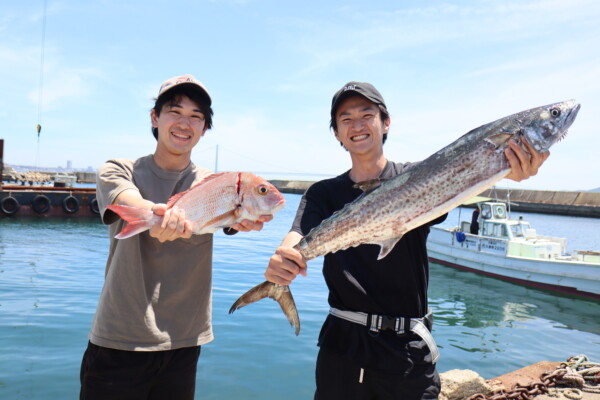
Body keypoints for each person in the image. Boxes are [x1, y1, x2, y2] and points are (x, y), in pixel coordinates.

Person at [264, 81, 549, 400]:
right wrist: (283, 260)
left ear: (385, 123)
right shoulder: (323, 193)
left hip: (408, 349)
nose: (357, 125)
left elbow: (464, 179)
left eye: (366, 114)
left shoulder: (424, 175)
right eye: (346, 119)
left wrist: (505, 171)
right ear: (336, 132)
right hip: (342, 347)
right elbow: (297, 235)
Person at [80, 74, 271, 400]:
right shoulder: (118, 169)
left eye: (196, 116)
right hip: (118, 340)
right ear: (155, 118)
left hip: (184, 343)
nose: (185, 123)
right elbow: (128, 200)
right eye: (175, 111)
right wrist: (156, 215)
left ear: (205, 129)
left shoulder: (216, 183)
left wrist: (243, 220)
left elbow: (230, 219)